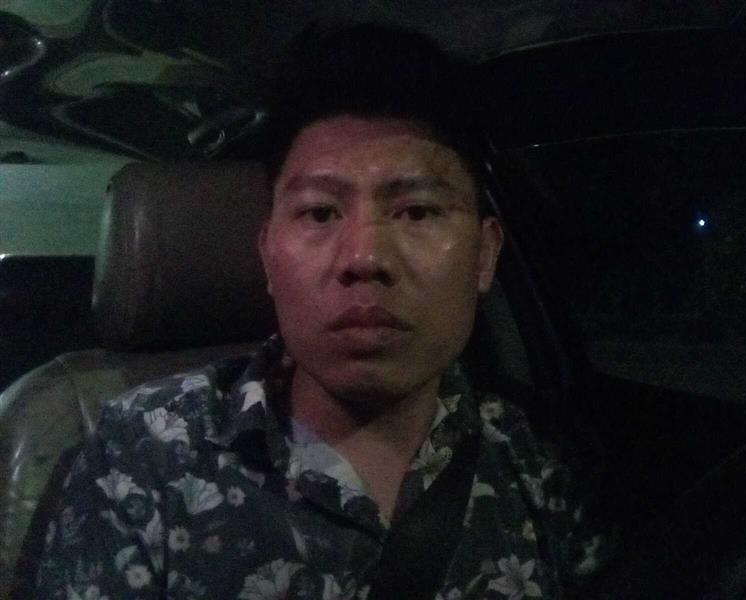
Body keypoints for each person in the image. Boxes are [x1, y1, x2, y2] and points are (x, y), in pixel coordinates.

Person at [35, 24, 610, 599]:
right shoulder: (145, 454)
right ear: (268, 256)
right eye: (319, 212)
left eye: (417, 211)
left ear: (484, 256)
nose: (365, 257)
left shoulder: (540, 462)